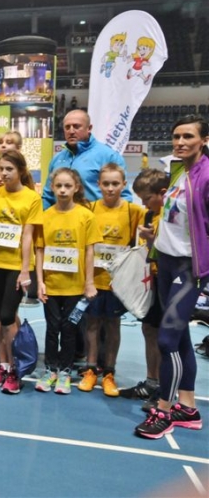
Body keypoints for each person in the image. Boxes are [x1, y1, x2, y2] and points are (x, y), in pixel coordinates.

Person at [134, 115, 208, 440]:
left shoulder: (207, 176)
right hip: (164, 261)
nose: (180, 142)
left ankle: (164, 411)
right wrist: (154, 239)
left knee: (166, 341)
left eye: (188, 136)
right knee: (180, 338)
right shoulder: (178, 170)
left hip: (188, 268)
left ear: (204, 140)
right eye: (176, 136)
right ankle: (188, 408)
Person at [0, 150, 42, 394]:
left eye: (9, 169)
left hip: (16, 266)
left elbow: (28, 236)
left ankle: (15, 370)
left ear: (21, 171)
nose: (3, 174)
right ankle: (3, 366)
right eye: (1, 169)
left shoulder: (32, 199)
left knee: (7, 316)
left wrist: (25, 270)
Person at [79, 163, 145, 397]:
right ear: (98, 185)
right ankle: (90, 369)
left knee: (113, 325)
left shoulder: (133, 211)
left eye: (115, 183)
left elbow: (140, 244)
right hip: (93, 280)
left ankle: (109, 373)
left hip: (118, 283)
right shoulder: (90, 209)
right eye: (105, 183)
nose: (110, 188)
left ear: (124, 185)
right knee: (92, 324)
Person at [34, 168, 101, 395]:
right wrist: (40, 282)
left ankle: (65, 371)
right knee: (52, 329)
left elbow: (90, 251)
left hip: (75, 286)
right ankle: (50, 370)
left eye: (67, 186)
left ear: (76, 188)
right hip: (51, 286)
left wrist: (89, 283)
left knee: (70, 328)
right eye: (58, 186)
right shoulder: (45, 217)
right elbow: (40, 251)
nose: (63, 190)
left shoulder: (86, 216)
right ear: (52, 188)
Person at [121, 168, 167, 410]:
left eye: (147, 198)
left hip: (170, 282)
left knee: (166, 337)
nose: (144, 204)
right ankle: (151, 382)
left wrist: (151, 241)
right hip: (152, 280)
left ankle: (166, 389)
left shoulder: (171, 216)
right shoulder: (149, 216)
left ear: (163, 193)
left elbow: (172, 251)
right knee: (149, 329)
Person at [42, 110, 132, 208]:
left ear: (89, 128)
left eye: (76, 126)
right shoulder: (57, 159)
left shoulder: (109, 156)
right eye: (67, 127)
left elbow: (124, 196)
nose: (71, 131)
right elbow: (47, 196)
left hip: (96, 216)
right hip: (61, 217)